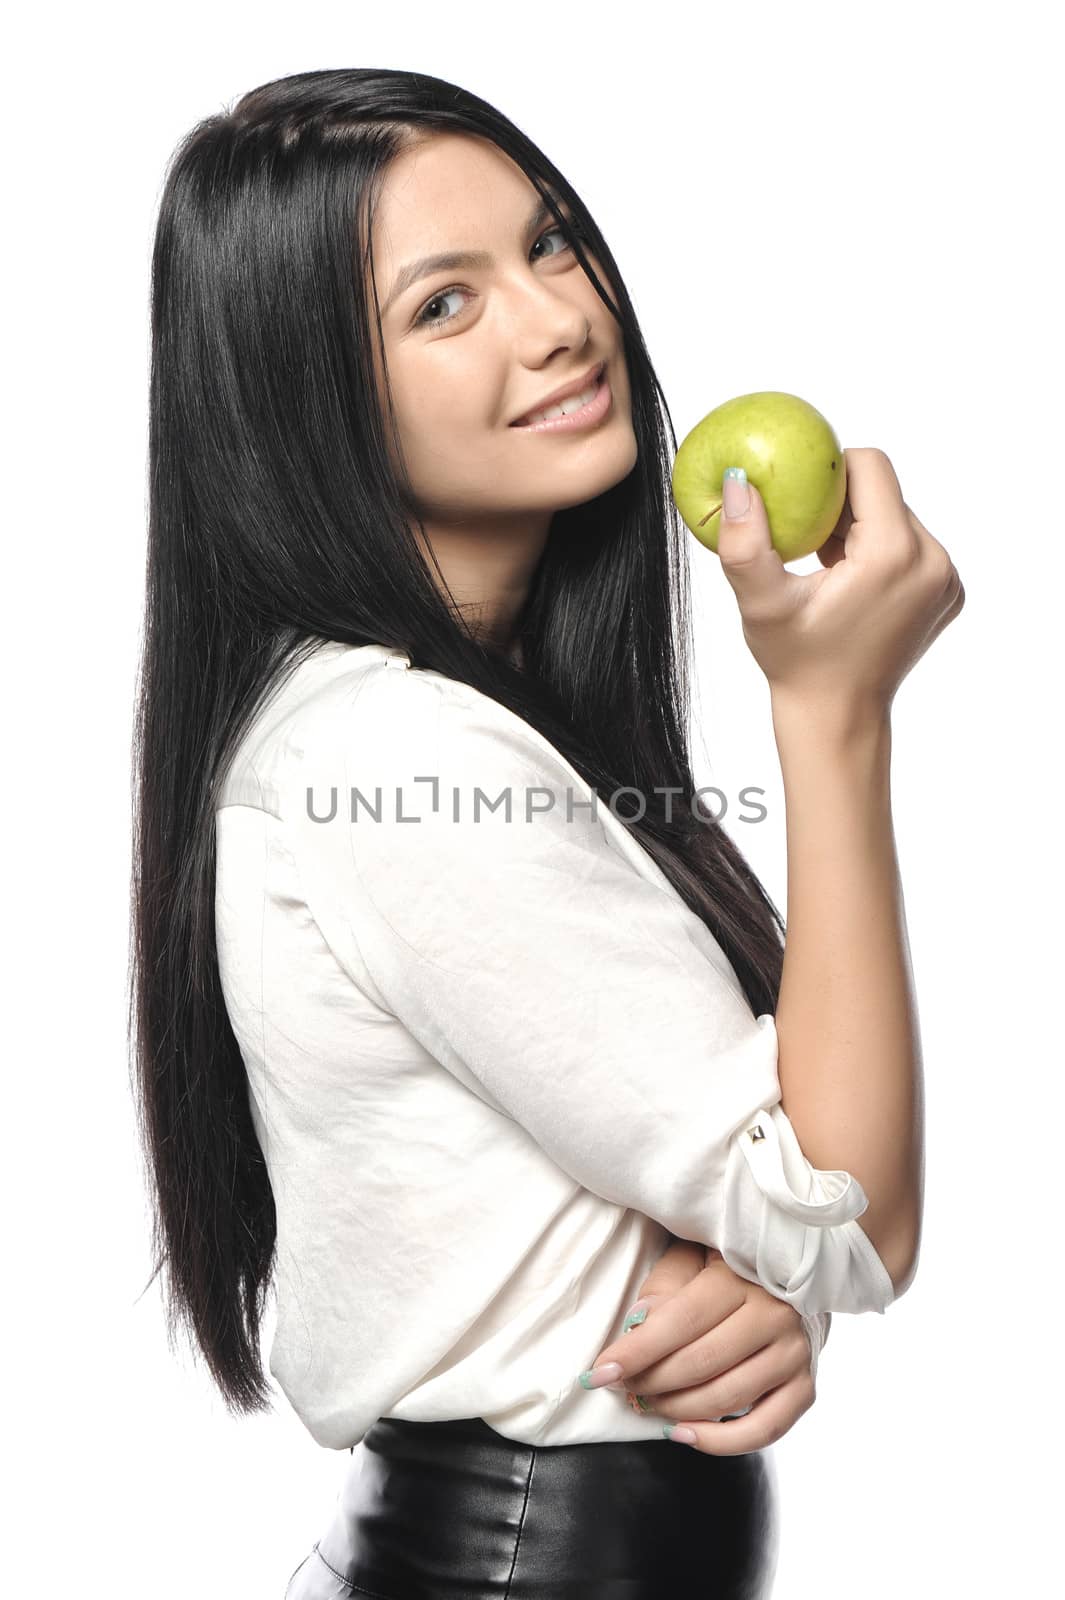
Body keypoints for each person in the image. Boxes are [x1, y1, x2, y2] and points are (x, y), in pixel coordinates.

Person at [130, 66, 963, 1599]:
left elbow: (795, 1216)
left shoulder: (438, 722)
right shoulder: (390, 750)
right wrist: (834, 716)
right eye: (442, 307)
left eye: (552, 244)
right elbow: (847, 1203)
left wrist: (781, 1275)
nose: (557, 318)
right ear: (305, 399)